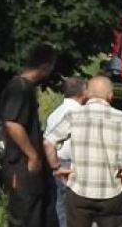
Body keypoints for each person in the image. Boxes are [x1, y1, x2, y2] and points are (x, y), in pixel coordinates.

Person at [44, 76, 122, 227]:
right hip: (111, 192)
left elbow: (48, 143)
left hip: (78, 190)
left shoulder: (74, 116)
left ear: (87, 93)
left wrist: (56, 167)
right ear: (110, 95)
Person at [1, 42, 57, 227]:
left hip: (30, 170)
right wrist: (32, 155)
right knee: (26, 218)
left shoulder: (25, 88)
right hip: (22, 167)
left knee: (39, 216)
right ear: (45, 66)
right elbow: (13, 124)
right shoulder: (20, 88)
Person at [45, 77, 88, 227]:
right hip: (72, 164)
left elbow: (47, 142)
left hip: (55, 162)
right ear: (84, 92)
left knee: (59, 208)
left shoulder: (55, 113)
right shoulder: (81, 114)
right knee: (75, 212)